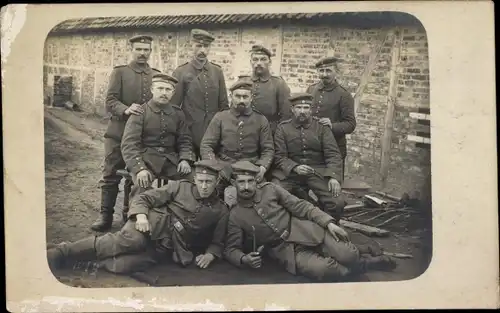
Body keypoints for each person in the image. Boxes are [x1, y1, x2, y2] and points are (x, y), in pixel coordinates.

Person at [47, 160, 229, 275]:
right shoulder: (179, 187)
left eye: (209, 182)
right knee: (128, 242)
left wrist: (210, 255)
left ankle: (87, 261)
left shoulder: (221, 211)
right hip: (150, 224)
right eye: (201, 181)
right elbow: (144, 197)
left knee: (125, 265)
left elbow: (218, 241)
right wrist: (141, 216)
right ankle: (63, 252)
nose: (204, 186)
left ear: (217, 182)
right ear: (195, 179)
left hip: (168, 246)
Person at [224, 161, 396, 282]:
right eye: (241, 182)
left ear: (257, 181)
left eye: (250, 181)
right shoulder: (235, 215)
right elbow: (231, 248)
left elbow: (301, 206)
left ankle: (358, 255)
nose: (246, 187)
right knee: (327, 270)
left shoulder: (271, 189)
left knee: (348, 255)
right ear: (234, 183)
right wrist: (243, 259)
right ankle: (366, 264)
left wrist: (328, 222)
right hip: (284, 250)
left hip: (304, 229)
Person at [92, 35, 161, 232]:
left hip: (141, 139)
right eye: (138, 49)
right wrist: (126, 109)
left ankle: (130, 215)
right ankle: (105, 215)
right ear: (131, 49)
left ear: (150, 51)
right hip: (117, 133)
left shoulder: (155, 75)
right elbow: (110, 101)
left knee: (138, 176)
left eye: (146, 50)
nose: (142, 53)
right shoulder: (121, 72)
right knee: (110, 174)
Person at [121, 73, 195, 218]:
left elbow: (185, 140)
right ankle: (137, 219)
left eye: (168, 90)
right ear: (152, 90)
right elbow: (129, 144)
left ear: (173, 93)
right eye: (160, 88)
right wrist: (139, 169)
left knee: (192, 181)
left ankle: (183, 218)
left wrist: (185, 159)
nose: (164, 93)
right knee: (142, 184)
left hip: (170, 160)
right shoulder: (140, 112)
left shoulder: (177, 114)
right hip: (146, 159)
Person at [272, 93, 346, 222]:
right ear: (292, 109)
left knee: (336, 202)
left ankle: (329, 230)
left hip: (317, 172)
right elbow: (279, 156)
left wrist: (334, 177)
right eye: (298, 107)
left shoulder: (321, 127)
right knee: (275, 195)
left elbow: (333, 154)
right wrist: (295, 167)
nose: (302, 111)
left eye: (306, 108)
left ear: (310, 109)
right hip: (291, 174)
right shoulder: (283, 128)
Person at [199, 78, 274, 203]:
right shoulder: (220, 117)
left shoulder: (261, 120)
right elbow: (206, 145)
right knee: (210, 196)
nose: (241, 100)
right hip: (224, 166)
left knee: (264, 199)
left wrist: (262, 167)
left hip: (251, 166)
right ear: (231, 97)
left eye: (245, 97)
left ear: (251, 98)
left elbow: (268, 149)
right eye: (237, 96)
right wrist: (215, 166)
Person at [170, 29, 229, 159]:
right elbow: (173, 106)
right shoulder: (181, 72)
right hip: (189, 132)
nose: (202, 50)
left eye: (206, 46)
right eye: (198, 46)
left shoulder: (217, 71)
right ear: (191, 46)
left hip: (213, 132)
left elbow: (224, 105)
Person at [306, 57, 356, 183]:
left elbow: (350, 124)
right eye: (321, 71)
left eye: (328, 71)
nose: (324, 74)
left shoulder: (344, 95)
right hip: (314, 148)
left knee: (333, 188)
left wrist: (332, 125)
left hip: (334, 150)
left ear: (336, 72)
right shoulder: (311, 90)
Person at [238, 45, 292, 134]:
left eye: (263, 59)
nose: (259, 63)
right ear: (250, 62)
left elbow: (286, 114)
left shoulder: (278, 84)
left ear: (269, 62)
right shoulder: (242, 82)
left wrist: (278, 134)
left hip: (269, 132)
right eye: (255, 59)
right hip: (244, 131)